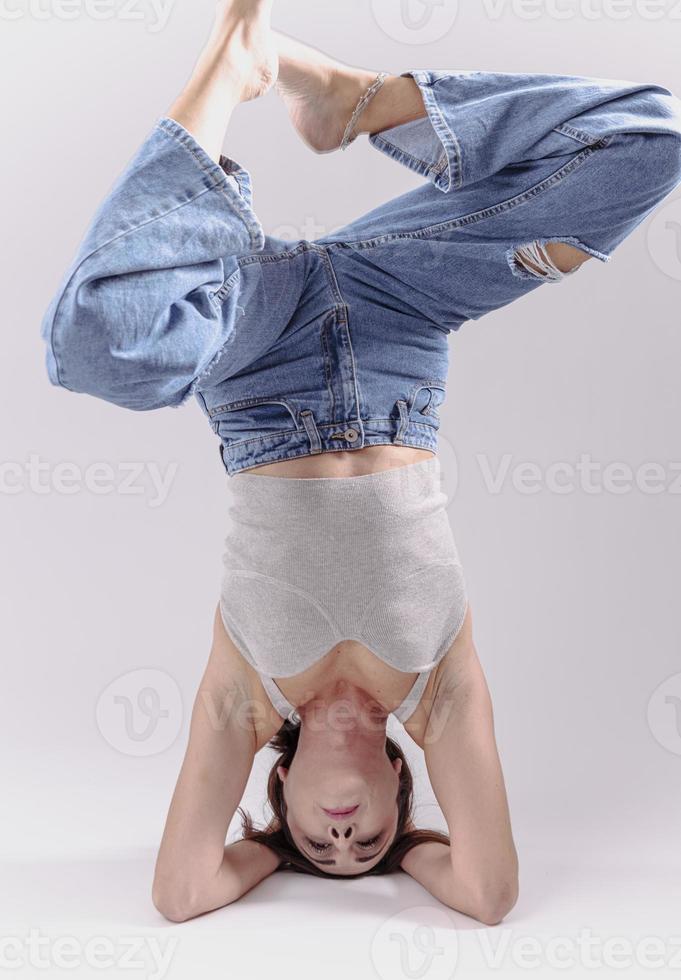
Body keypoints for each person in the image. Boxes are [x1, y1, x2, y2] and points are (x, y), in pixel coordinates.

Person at [40, 0, 681, 926]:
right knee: (645, 141)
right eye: (367, 843)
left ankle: (223, 80)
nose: (343, 839)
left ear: (282, 788)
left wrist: (261, 857)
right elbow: (488, 895)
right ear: (396, 781)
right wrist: (415, 857)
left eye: (318, 844)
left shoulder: (246, 702)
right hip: (397, 317)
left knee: (94, 349)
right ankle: (358, 99)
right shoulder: (438, 698)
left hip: (257, 361)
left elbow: (182, 895)